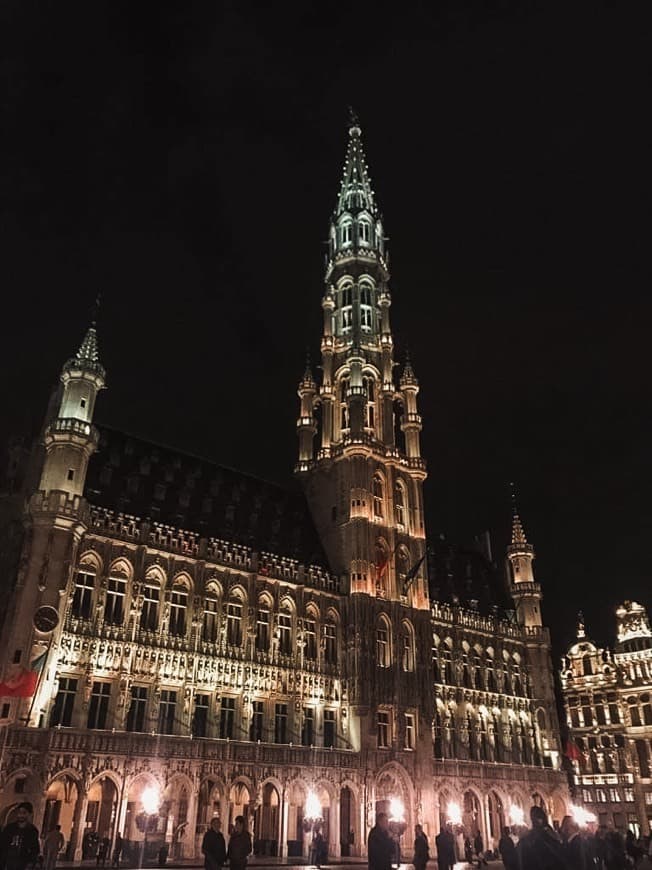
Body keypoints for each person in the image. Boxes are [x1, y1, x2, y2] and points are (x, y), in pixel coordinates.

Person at [516, 805, 566, 870]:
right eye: (534, 818)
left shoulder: (548, 834)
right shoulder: (527, 839)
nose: (536, 821)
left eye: (537, 818)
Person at [0, 802, 40, 870]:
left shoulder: (32, 831)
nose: (20, 815)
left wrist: (30, 863)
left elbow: (35, 849)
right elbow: (2, 845)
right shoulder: (9, 828)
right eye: (19, 812)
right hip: (7, 863)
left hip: (22, 864)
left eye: (24, 813)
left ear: (29, 814)